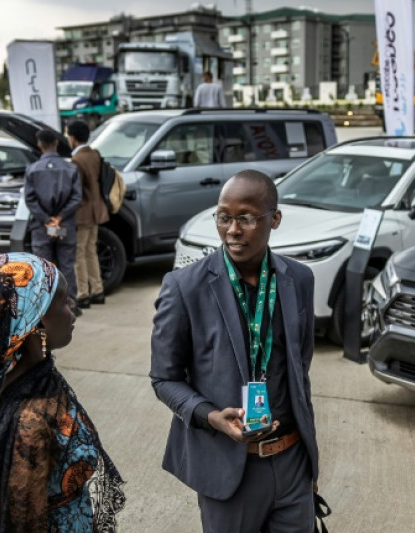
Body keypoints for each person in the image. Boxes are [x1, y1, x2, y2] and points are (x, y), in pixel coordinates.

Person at [150, 169, 320, 532]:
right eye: (224, 217)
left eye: (245, 218)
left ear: (274, 218)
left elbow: (299, 373)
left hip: (292, 463)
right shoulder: (184, 287)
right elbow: (164, 379)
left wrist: (310, 466)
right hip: (228, 469)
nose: (232, 230)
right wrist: (211, 416)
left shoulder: (299, 280)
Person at [0, 252, 125, 531]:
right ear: (35, 323)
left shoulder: (29, 378)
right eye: (63, 300)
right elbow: (23, 523)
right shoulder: (31, 422)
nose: (73, 306)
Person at [24, 129, 82, 314]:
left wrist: (46, 219)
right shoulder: (71, 168)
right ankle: (70, 305)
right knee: (67, 265)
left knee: (43, 267)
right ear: (57, 143)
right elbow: (76, 197)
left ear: (39, 145)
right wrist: (60, 217)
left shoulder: (32, 169)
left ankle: (46, 309)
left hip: (42, 227)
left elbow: (30, 199)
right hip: (64, 225)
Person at [66, 119, 109, 309]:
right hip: (97, 209)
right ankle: (98, 290)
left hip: (83, 212)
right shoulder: (94, 154)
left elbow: (76, 190)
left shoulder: (76, 160)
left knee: (80, 254)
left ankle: (83, 294)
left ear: (73, 138)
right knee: (91, 251)